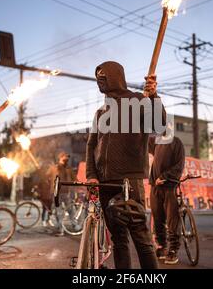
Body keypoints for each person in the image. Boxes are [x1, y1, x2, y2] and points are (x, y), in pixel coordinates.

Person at [86, 61, 165, 269]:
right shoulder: (100, 112)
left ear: (116, 76)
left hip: (130, 181)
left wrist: (154, 97)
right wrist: (91, 175)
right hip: (105, 183)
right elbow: (91, 145)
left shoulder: (139, 101)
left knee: (141, 237)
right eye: (98, 76)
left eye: (104, 75)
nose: (100, 80)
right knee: (119, 240)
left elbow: (159, 125)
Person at [148, 131, 185, 265]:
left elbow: (179, 166)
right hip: (155, 188)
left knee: (172, 220)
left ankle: (173, 250)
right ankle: (162, 247)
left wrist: (163, 177)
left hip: (170, 186)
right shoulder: (156, 142)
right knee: (157, 219)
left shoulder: (177, 143)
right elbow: (141, 139)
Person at [43, 151, 76, 236]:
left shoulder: (69, 168)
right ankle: (61, 229)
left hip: (66, 193)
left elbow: (75, 178)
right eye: (65, 157)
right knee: (59, 211)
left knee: (70, 209)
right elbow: (46, 176)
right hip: (56, 193)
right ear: (60, 157)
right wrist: (50, 185)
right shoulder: (54, 168)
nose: (67, 158)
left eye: (68, 157)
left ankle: (75, 224)